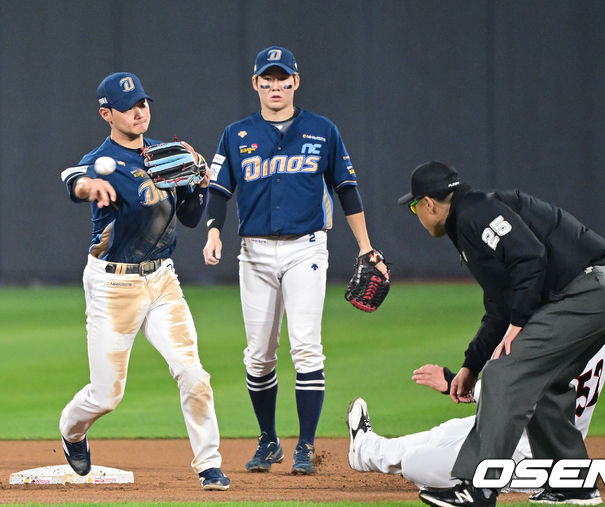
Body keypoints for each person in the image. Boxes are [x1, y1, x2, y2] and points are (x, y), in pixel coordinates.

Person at [202, 46, 387, 475]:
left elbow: (346, 189)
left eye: (282, 80)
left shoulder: (322, 130)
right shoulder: (236, 134)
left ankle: (305, 444)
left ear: (295, 82)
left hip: (307, 247)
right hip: (255, 251)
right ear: (256, 85)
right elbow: (217, 189)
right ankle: (268, 441)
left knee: (306, 346)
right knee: (258, 356)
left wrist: (365, 246)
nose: (275, 87)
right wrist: (213, 231)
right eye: (267, 81)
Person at [396, 161, 605, 506]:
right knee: (542, 382)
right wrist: (470, 365)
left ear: (428, 203)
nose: (415, 213)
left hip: (583, 293)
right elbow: (499, 305)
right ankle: (573, 484)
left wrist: (519, 322)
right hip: (600, 292)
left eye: (414, 206)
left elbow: (530, 257)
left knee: (504, 373)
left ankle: (480, 488)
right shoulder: (471, 218)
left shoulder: (476, 212)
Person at [59, 72, 229, 491]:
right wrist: (88, 185)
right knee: (106, 397)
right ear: (106, 113)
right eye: (128, 105)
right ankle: (72, 432)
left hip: (162, 281)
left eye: (143, 103)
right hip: (113, 287)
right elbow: (72, 178)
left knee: (193, 374)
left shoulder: (165, 155)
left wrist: (199, 185)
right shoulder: (102, 159)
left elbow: (189, 218)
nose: (139, 111)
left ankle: (209, 464)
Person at [346, 345, 605, 492]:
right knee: (447, 432)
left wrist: (453, 383)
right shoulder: (593, 338)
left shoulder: (558, 340)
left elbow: (512, 398)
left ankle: (456, 483)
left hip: (531, 459)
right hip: (528, 435)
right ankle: (366, 450)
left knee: (417, 461)